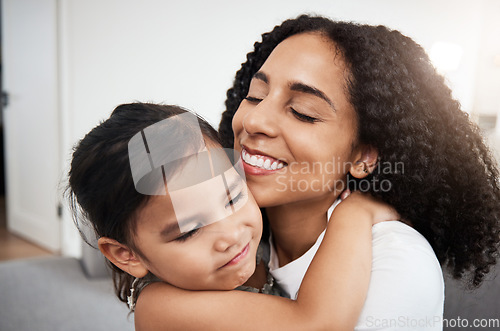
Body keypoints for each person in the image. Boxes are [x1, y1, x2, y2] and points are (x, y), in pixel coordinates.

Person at [218, 14, 500, 329]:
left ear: (364, 156)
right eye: (255, 96)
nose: (254, 121)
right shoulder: (225, 231)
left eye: (302, 113)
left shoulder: (397, 261)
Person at [68, 102, 398, 330]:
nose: (230, 235)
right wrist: (352, 212)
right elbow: (318, 324)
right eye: (189, 231)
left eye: (233, 197)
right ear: (126, 254)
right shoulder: (161, 306)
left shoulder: (262, 235)